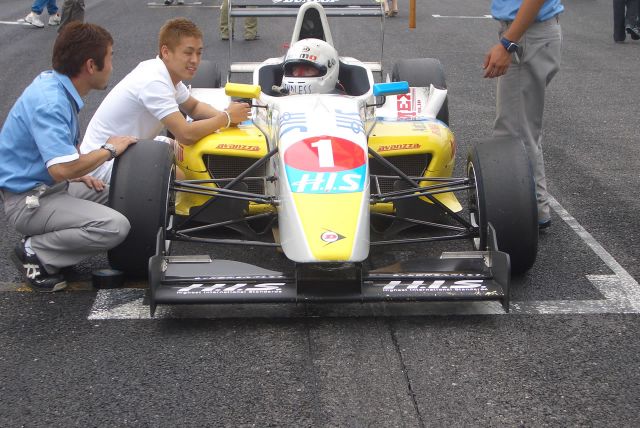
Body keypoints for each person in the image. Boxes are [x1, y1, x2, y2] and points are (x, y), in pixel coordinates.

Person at [0, 23, 137, 292]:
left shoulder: (55, 86)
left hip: (48, 188)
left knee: (122, 196)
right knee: (114, 226)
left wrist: (82, 171)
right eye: (110, 56)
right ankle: (35, 252)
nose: (111, 65)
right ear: (90, 65)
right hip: (28, 201)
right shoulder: (51, 102)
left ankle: (51, 245)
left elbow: (58, 158)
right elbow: (61, 169)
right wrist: (108, 150)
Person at [80, 17, 251, 183]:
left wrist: (228, 117)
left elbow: (195, 107)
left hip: (128, 146)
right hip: (102, 163)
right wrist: (226, 118)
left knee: (184, 152)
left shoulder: (165, 74)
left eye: (199, 53)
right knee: (180, 178)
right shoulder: (154, 81)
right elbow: (185, 134)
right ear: (166, 52)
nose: (195, 60)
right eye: (188, 53)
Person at [483, 0, 564, 230]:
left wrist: (509, 42)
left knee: (513, 135)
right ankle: (535, 209)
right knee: (522, 128)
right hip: (528, 33)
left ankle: (520, 217)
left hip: (526, 34)